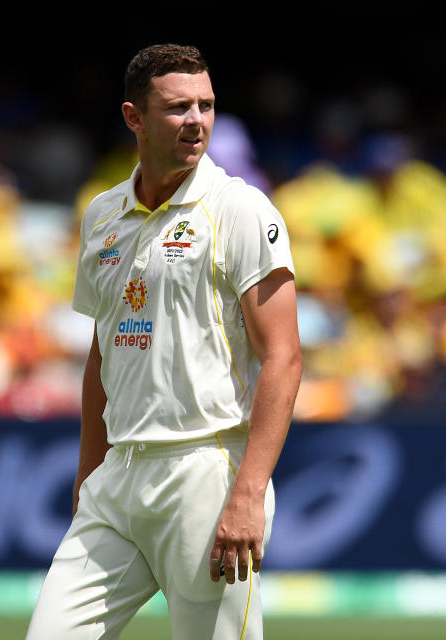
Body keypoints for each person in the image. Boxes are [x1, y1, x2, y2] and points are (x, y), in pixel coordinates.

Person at [25, 44, 302, 640]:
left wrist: (249, 493)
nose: (197, 121)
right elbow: (102, 353)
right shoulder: (102, 214)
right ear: (134, 118)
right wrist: (88, 475)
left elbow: (284, 355)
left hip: (207, 470)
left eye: (206, 106)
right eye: (178, 108)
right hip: (118, 477)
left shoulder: (240, 208)